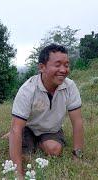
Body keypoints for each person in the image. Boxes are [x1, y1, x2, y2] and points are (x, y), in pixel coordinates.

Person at [8, 44, 84, 176]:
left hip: (51, 129)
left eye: (66, 65)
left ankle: (37, 141)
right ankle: (18, 138)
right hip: (29, 127)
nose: (63, 70)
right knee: (25, 156)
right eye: (57, 64)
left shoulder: (70, 86)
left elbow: (77, 122)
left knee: (55, 150)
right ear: (42, 67)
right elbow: (17, 129)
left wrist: (77, 156)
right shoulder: (28, 90)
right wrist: (18, 174)